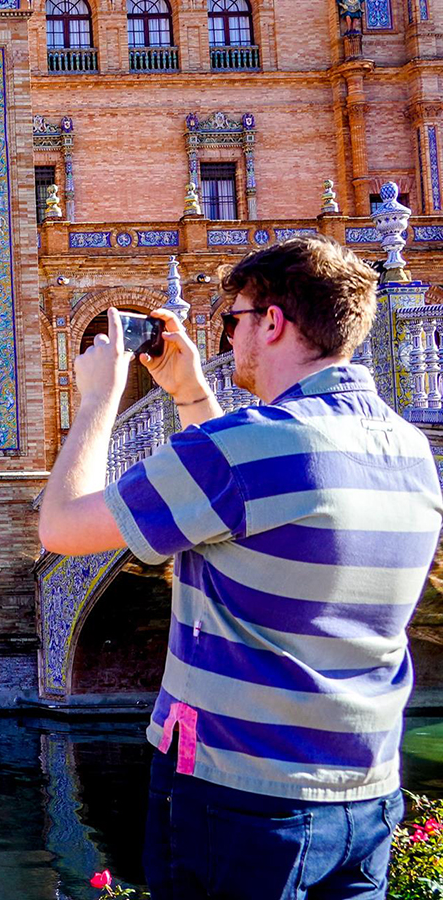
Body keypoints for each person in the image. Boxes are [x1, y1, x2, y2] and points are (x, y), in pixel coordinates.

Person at [38, 235, 443, 900]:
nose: (230, 339)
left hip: (241, 800)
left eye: (235, 320)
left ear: (274, 322)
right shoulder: (407, 448)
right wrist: (194, 394)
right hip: (365, 797)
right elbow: (250, 510)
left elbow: (60, 525)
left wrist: (99, 398)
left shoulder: (242, 452)